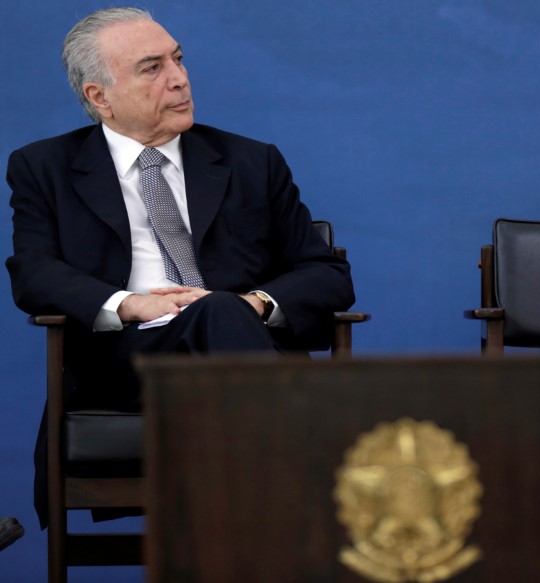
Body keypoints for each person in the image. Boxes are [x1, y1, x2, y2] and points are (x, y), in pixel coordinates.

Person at [5, 7, 355, 527]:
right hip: (130, 363)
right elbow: (33, 273)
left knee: (218, 311)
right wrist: (130, 304)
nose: (179, 78)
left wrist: (251, 303)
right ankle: (312, 488)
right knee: (215, 313)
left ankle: (278, 506)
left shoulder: (251, 162)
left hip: (240, 345)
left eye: (179, 59)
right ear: (99, 96)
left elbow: (328, 275)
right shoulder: (43, 167)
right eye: (152, 67)